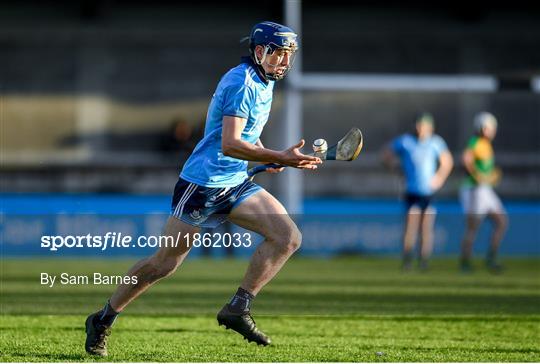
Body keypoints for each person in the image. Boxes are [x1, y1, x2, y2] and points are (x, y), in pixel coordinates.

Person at [84, 21, 321, 356]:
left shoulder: (265, 82)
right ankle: (103, 319)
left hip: (236, 183)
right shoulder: (242, 82)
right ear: (259, 51)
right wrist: (278, 154)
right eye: (278, 53)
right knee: (163, 265)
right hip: (202, 186)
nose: (284, 61)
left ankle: (238, 308)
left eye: (288, 55)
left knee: (287, 237)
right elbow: (230, 143)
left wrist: (271, 156)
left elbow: (247, 136)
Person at [383, 113, 453, 271]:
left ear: (430, 127)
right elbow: (385, 155)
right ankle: (407, 260)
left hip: (428, 192)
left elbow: (447, 162)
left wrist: (439, 179)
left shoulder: (435, 142)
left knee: (426, 227)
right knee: (410, 226)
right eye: (418, 125)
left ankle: (424, 261)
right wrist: (396, 169)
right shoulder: (406, 141)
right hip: (412, 190)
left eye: (423, 125)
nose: (420, 128)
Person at [459, 112, 507, 273]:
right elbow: (466, 159)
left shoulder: (486, 145)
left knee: (501, 222)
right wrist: (477, 176)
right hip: (474, 189)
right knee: (473, 227)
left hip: (485, 190)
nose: (493, 131)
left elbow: (484, 168)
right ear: (483, 128)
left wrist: (490, 176)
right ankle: (465, 263)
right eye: (490, 128)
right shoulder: (475, 142)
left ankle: (491, 257)